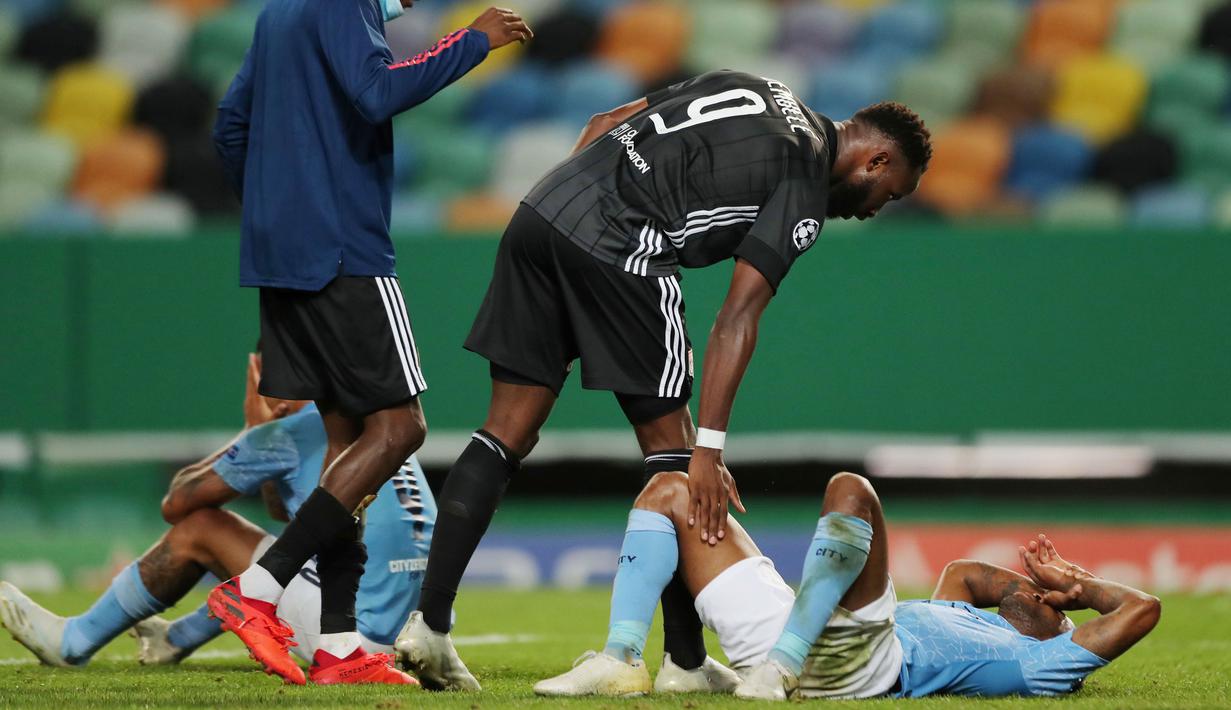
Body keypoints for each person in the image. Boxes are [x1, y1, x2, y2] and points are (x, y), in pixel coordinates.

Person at [395, 69, 932, 691]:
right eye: (889, 194)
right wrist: (712, 447)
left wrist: (570, 222)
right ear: (876, 159)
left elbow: (604, 124)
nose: (872, 212)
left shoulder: (756, 84)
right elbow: (737, 317)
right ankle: (680, 662)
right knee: (675, 457)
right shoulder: (804, 179)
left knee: (505, 430)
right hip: (622, 241)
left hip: (544, 210)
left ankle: (430, 628)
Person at [206, 0, 530, 686]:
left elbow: (231, 126)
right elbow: (376, 93)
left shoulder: (278, 14)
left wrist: (277, 207)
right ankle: (259, 589)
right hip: (342, 251)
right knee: (398, 429)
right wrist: (471, 43)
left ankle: (339, 643)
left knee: (346, 445)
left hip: (281, 252)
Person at [0, 351, 437, 685]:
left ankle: (73, 641)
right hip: (414, 632)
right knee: (285, 549)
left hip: (354, 634)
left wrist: (253, 428)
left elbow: (177, 502)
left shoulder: (288, 432)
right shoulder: (377, 430)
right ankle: (174, 640)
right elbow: (284, 512)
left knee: (203, 529)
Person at [535, 472, 1161, 699]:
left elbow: (1143, 609)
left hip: (862, 667)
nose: (1036, 591)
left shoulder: (1043, 665)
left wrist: (1081, 587)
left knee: (852, 492)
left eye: (1053, 604)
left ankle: (778, 671)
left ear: (1066, 628)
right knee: (673, 491)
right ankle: (620, 658)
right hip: (798, 633)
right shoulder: (967, 612)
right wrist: (1047, 583)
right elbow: (972, 575)